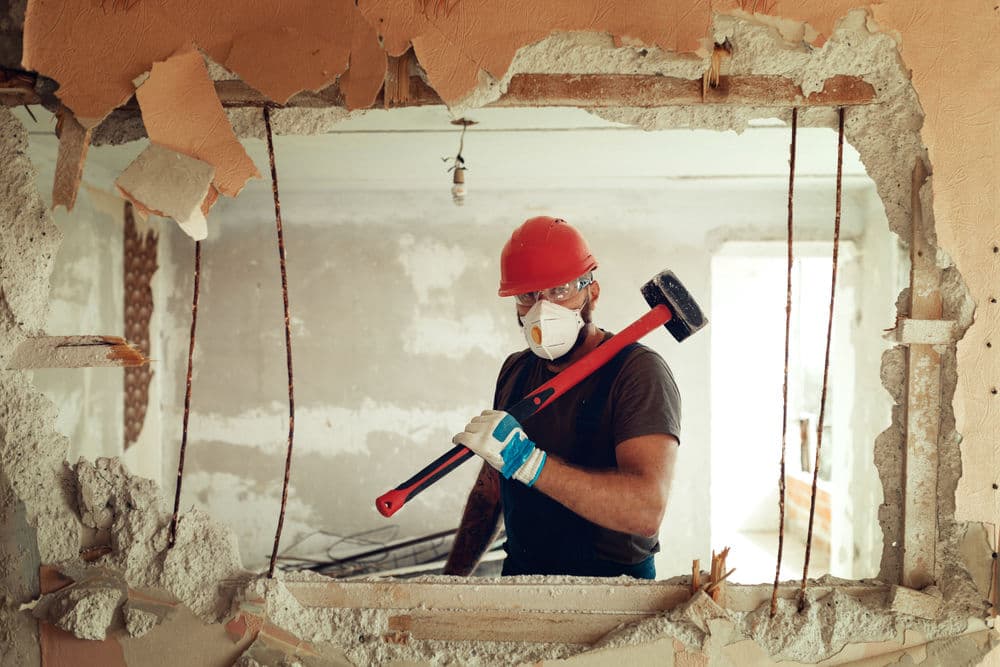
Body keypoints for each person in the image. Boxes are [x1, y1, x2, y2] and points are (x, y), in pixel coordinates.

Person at [443, 216, 681, 579]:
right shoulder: (515, 371)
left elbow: (645, 512)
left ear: (592, 293)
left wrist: (530, 464)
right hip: (521, 575)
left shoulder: (637, 372)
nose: (543, 309)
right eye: (527, 296)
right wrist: (451, 583)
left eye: (560, 290)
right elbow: (489, 492)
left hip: (612, 588)